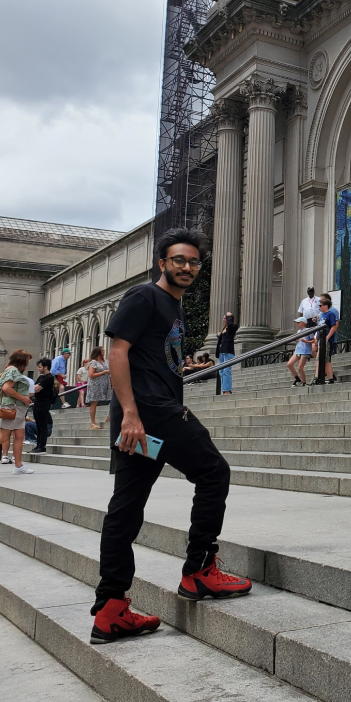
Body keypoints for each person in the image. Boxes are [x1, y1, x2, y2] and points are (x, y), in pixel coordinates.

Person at [91, 227, 250, 646]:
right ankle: (199, 571)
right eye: (179, 260)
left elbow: (153, 357)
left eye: (194, 262)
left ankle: (110, 610)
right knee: (214, 472)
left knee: (125, 510)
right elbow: (118, 352)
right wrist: (130, 413)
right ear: (162, 262)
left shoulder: (173, 307)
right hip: (150, 413)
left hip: (145, 416)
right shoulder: (145, 297)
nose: (187, 267)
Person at [0, 350, 35, 474]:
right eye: (27, 361)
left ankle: (19, 466)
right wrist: (23, 398)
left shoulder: (10, 370)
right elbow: (6, 388)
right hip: (12, 407)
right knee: (3, 436)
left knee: (19, 435)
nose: (27, 364)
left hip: (15, 408)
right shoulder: (13, 370)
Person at [32, 358, 58, 454]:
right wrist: (34, 388)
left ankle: (42, 446)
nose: (38, 369)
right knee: (38, 424)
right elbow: (33, 388)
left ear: (45, 367)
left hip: (44, 402)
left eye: (40, 367)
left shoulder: (49, 377)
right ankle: (38, 445)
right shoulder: (41, 377)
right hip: (37, 401)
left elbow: (37, 389)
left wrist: (34, 388)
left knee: (42, 425)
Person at [313, 294, 340, 384]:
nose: (319, 307)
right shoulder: (321, 316)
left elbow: (334, 326)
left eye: (320, 305)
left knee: (325, 359)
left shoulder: (331, 314)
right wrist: (316, 337)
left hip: (327, 340)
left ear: (325, 305)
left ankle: (323, 377)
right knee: (321, 358)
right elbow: (319, 327)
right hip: (320, 339)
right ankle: (321, 377)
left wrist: (327, 337)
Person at [86, 345, 113, 430]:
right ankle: (93, 423)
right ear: (98, 352)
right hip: (95, 384)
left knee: (112, 399)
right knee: (94, 402)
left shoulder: (106, 362)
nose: (104, 352)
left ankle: (109, 417)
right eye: (102, 350)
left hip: (105, 384)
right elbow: (91, 375)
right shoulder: (93, 362)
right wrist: (104, 372)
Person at [286, 317, 315, 386]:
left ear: (303, 323)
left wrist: (306, 341)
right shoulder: (298, 331)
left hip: (305, 350)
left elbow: (313, 340)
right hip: (298, 350)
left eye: (298, 322)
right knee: (289, 364)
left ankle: (304, 382)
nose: (297, 324)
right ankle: (297, 379)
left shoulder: (308, 330)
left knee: (300, 367)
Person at [215, 312, 237, 395]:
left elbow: (231, 326)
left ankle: (227, 390)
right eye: (224, 318)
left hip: (228, 350)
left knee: (226, 370)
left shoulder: (233, 327)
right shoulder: (223, 329)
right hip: (222, 351)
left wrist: (229, 316)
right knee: (221, 371)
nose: (223, 319)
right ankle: (224, 389)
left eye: (225, 318)